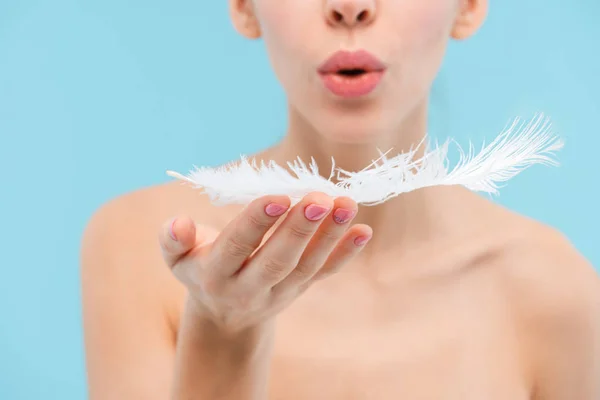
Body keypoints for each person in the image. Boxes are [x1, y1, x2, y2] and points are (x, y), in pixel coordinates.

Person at [80, 0, 600, 399]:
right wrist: (221, 334)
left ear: (469, 4)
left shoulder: (554, 292)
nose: (350, 6)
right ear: (242, 4)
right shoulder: (144, 248)